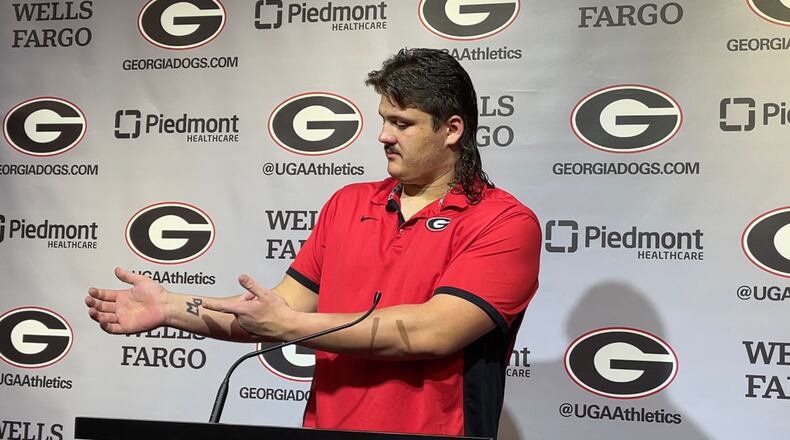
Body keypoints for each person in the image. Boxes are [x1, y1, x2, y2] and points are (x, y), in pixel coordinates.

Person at [86, 48, 541, 439]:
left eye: (402, 123)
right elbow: (274, 310)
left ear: (453, 129)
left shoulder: (504, 222)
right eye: (383, 119)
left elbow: (433, 331)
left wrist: (288, 327)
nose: (383, 135)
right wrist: (169, 306)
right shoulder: (348, 204)